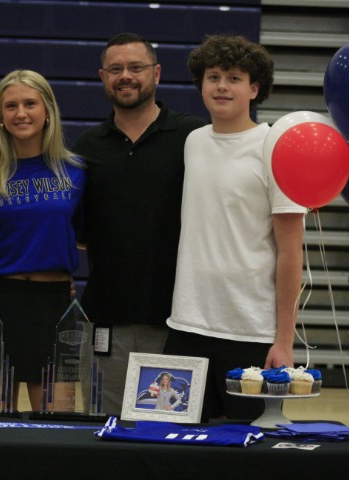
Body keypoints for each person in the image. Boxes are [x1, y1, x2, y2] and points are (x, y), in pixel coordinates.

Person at [163, 34, 306, 422]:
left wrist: (284, 340)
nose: (222, 86)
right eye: (213, 77)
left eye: (234, 78)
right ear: (201, 85)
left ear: (254, 88)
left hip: (250, 333)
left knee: (248, 445)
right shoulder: (193, 142)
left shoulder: (275, 148)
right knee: (176, 444)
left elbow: (291, 253)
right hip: (187, 325)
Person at [71, 33, 207, 416]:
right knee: (103, 430)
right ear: (103, 77)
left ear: (156, 74)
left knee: (166, 434)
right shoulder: (86, 148)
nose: (125, 76)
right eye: (115, 69)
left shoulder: (193, 138)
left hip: (177, 322)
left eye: (135, 67)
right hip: (105, 322)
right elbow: (77, 234)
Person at [0, 69, 85, 411]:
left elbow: (86, 235)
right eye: (11, 106)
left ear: (47, 111)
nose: (21, 113)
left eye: (30, 103)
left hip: (54, 305)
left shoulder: (75, 171)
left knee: (56, 425)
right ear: (0, 117)